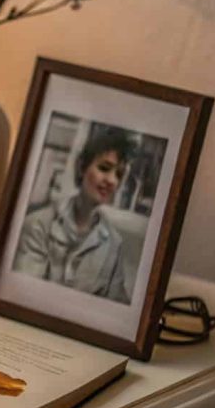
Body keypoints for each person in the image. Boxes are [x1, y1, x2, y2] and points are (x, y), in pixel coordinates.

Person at [12, 127, 134, 304]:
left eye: (118, 174)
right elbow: (23, 296)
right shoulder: (38, 225)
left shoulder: (113, 245)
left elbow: (116, 310)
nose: (112, 180)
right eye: (104, 168)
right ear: (81, 167)